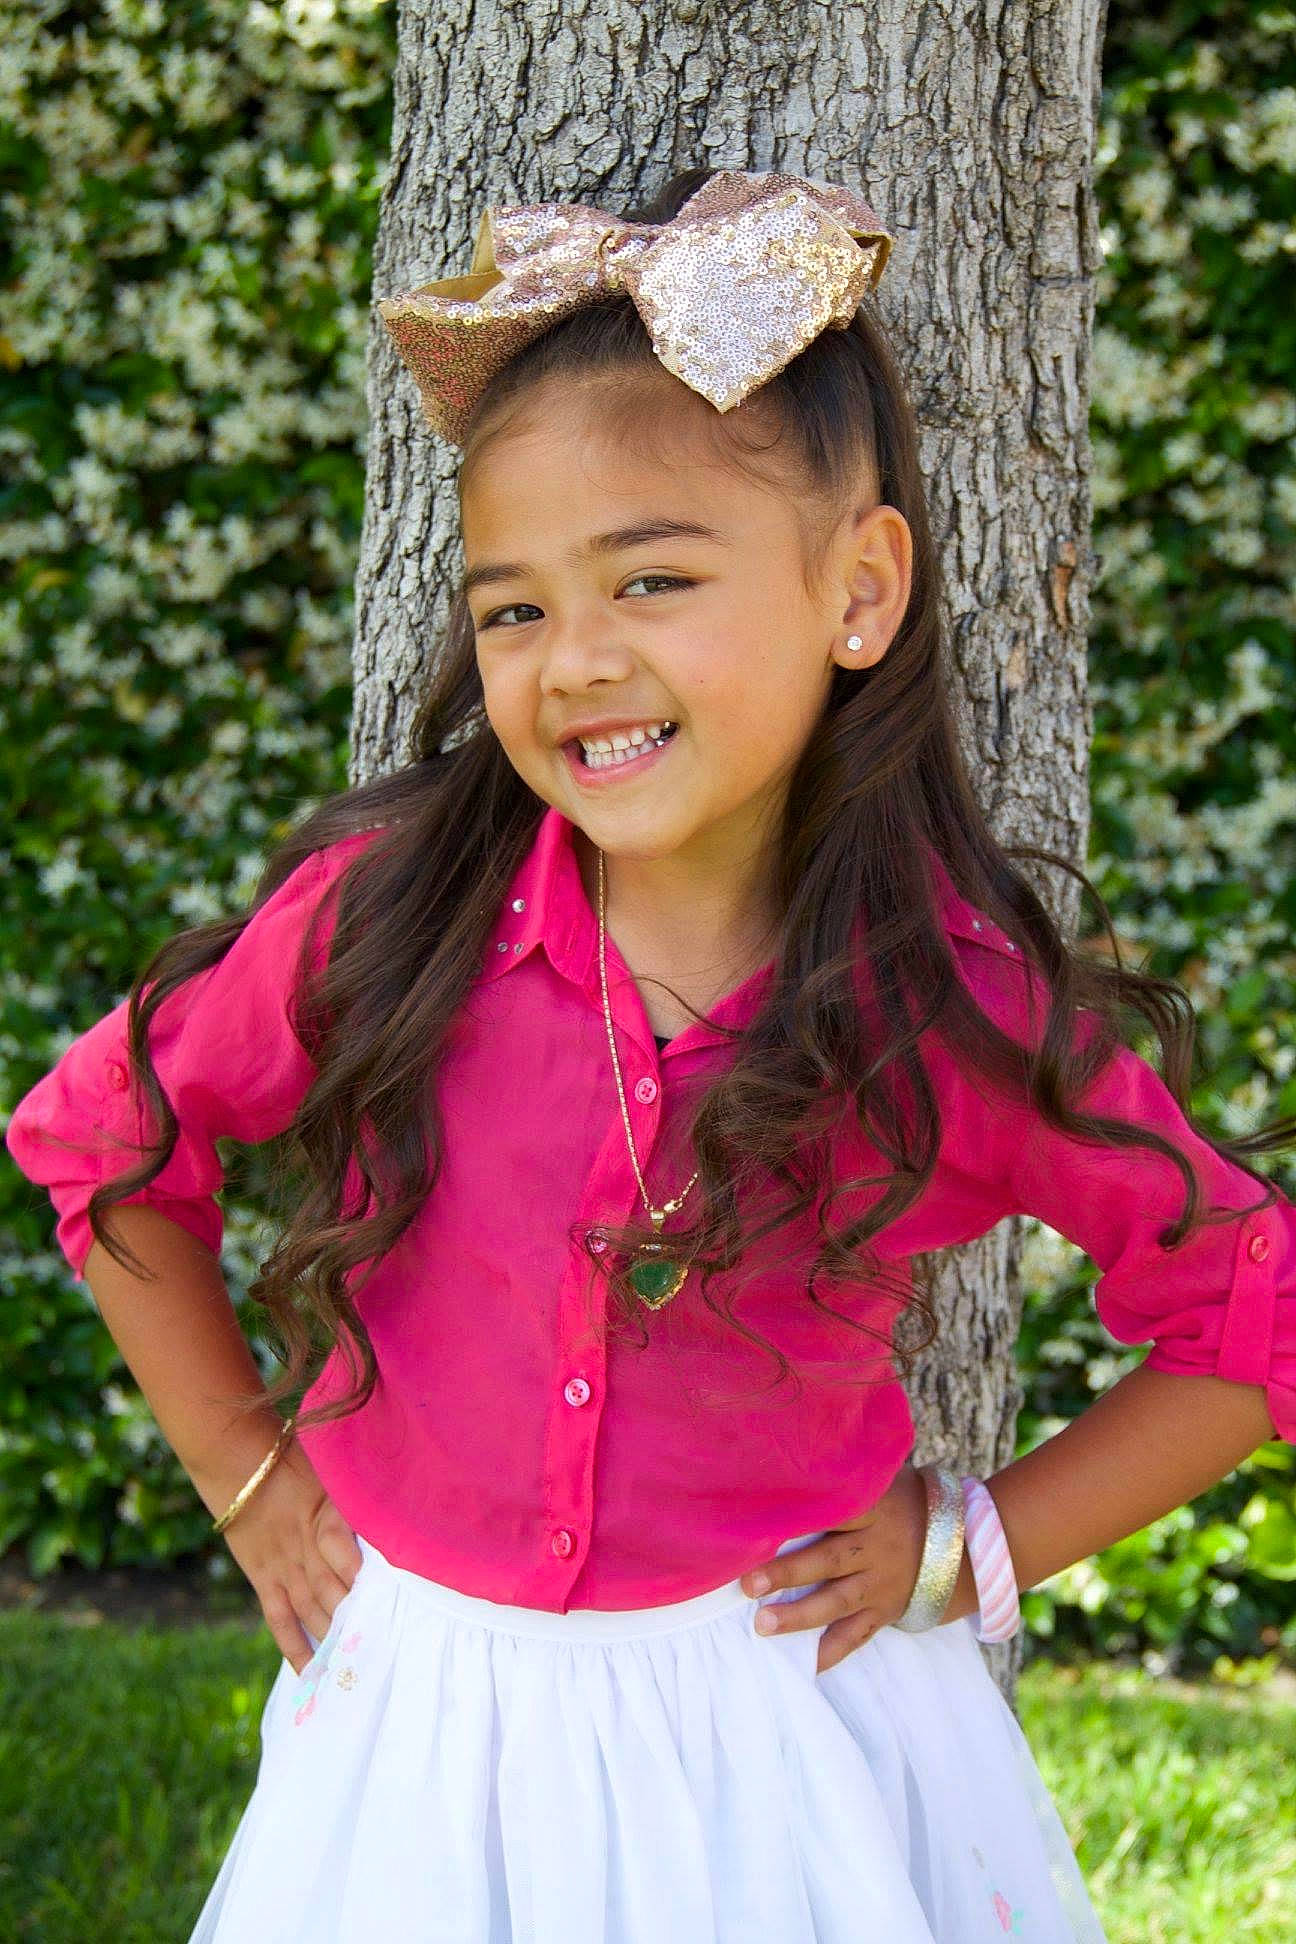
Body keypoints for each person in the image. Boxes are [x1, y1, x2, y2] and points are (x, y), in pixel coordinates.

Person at [6, 167, 1293, 1944]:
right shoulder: (388, 922)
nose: (576, 661)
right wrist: (246, 1477)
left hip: (779, 1742)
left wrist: (974, 1545)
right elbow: (109, 1142)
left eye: (654, 578)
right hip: (421, 1740)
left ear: (860, 590)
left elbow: (1247, 1301)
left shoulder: (950, 1005)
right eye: (514, 608)